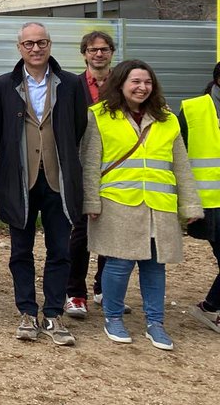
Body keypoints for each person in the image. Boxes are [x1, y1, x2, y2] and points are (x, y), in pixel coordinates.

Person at [81, 60, 203, 350]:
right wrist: (91, 201)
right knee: (119, 263)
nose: (142, 87)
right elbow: (90, 162)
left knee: (155, 266)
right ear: (121, 83)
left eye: (147, 82)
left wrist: (190, 206)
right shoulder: (99, 116)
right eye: (135, 81)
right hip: (117, 204)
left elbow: (181, 165)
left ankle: (155, 323)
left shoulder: (167, 119)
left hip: (159, 205)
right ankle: (113, 317)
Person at [0, 22, 85, 346]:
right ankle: (27, 311)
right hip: (21, 180)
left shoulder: (71, 84)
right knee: (21, 250)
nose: (35, 48)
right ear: (20, 48)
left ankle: (54, 313)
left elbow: (78, 127)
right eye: (29, 43)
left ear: (50, 45)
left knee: (60, 250)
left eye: (41, 42)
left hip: (58, 180)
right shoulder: (3, 85)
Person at [65, 29, 116, 318]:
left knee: (111, 230)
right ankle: (75, 293)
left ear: (111, 52)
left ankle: (104, 288)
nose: (99, 54)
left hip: (115, 167)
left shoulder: (123, 84)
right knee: (81, 232)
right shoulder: (71, 85)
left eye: (104, 49)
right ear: (84, 53)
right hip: (81, 166)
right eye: (93, 49)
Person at [176, 63, 220, 336]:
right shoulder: (193, 109)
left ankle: (210, 306)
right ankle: (208, 307)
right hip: (209, 202)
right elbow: (177, 157)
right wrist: (184, 202)